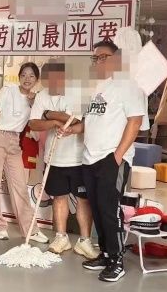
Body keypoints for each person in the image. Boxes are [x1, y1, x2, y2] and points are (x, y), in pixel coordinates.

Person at [59, 40, 147, 283]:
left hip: (112, 158)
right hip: (90, 158)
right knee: (97, 209)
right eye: (95, 58)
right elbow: (90, 122)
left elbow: (135, 122)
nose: (97, 62)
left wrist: (117, 157)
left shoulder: (128, 85)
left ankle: (117, 260)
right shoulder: (95, 88)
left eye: (103, 57)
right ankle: (106, 254)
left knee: (110, 210)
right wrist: (72, 130)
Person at [29, 61, 99, 259]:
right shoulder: (42, 96)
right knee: (59, 198)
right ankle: (61, 237)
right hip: (54, 158)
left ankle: (85, 241)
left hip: (78, 158)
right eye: (48, 79)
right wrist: (52, 121)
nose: (53, 83)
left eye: (57, 78)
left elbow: (77, 121)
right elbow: (33, 123)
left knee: (83, 200)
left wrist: (49, 114)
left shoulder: (78, 93)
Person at [0, 62, 48, 243]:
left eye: (31, 76)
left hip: (14, 141)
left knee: (20, 186)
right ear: (19, 77)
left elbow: (39, 119)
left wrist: (34, 103)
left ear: (36, 80)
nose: (27, 79)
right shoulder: (8, 90)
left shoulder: (36, 100)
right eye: (24, 75)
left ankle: (30, 230)